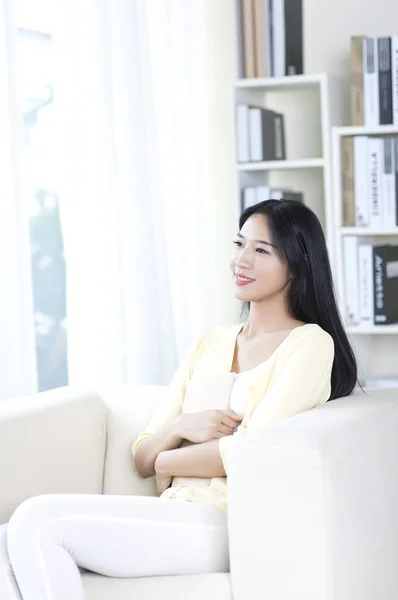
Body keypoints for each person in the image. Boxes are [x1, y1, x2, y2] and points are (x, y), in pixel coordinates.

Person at [4, 199, 357, 600]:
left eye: (261, 250)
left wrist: (167, 458)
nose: (242, 260)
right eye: (239, 244)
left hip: (225, 521)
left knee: (39, 522)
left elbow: (251, 454)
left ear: (298, 263)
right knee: (5, 542)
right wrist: (180, 427)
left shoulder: (309, 344)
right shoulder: (210, 342)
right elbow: (141, 457)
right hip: (174, 511)